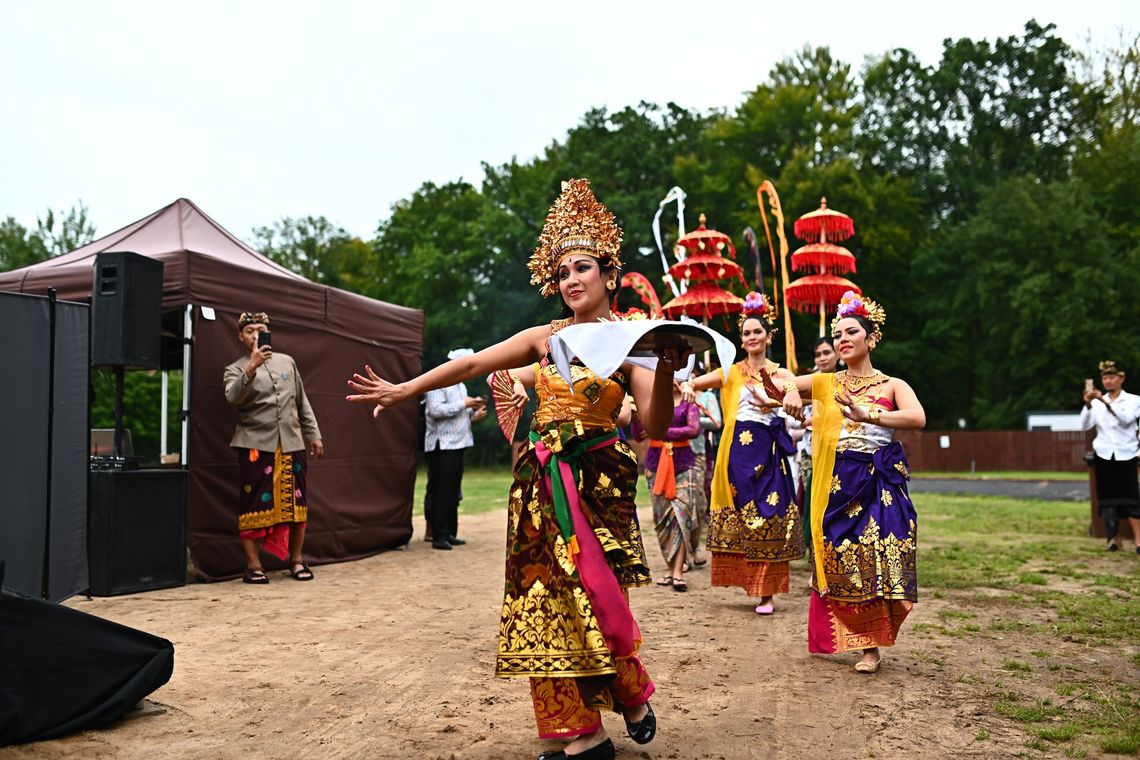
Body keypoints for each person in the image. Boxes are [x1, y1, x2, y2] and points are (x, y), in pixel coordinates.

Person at [347, 179, 681, 760]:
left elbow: (652, 425)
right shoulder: (544, 339)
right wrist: (408, 387)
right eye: (561, 272)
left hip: (599, 480)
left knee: (597, 594)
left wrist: (670, 372)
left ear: (608, 273)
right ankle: (579, 726)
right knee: (545, 596)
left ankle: (628, 690)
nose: (570, 279)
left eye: (582, 267)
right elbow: (474, 362)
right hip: (539, 482)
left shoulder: (634, 341)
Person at [782, 291, 925, 673]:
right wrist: (795, 391)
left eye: (851, 332)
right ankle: (862, 640)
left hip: (880, 479)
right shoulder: (827, 382)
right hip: (838, 479)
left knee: (881, 552)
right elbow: (779, 382)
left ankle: (872, 643)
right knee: (844, 554)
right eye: (838, 334)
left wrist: (870, 415)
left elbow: (917, 418)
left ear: (871, 338)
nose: (843, 339)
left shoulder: (893, 384)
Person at [680, 292, 804, 616]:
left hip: (771, 453)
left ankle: (767, 593)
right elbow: (695, 384)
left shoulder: (782, 374)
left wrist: (778, 399)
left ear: (768, 336)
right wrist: (689, 387)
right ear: (742, 338)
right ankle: (752, 584)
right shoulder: (731, 372)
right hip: (737, 455)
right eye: (747, 333)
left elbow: (796, 396)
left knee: (769, 515)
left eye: (757, 332)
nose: (751, 337)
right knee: (744, 517)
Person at [223, 312, 324, 584]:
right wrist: (251, 368)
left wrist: (314, 435)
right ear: (240, 337)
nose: (256, 334)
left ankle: (296, 560)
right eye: (249, 331)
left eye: (261, 329)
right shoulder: (235, 368)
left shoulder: (287, 362)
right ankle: (253, 566)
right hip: (256, 446)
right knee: (254, 503)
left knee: (297, 503)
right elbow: (233, 397)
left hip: (292, 443)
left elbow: (302, 402)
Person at [635, 385, 702, 592]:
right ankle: (669, 568)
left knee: (681, 517)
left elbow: (693, 429)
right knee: (662, 519)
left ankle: (678, 573)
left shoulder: (687, 401)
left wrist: (661, 431)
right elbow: (639, 435)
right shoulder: (649, 400)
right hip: (655, 466)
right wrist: (638, 418)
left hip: (684, 465)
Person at [423, 348, 487, 550]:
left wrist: (473, 415)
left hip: (459, 443)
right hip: (443, 445)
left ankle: (450, 533)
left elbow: (459, 414)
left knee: (452, 491)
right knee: (442, 491)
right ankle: (438, 536)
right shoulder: (438, 382)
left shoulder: (460, 385)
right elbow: (435, 411)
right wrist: (464, 403)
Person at [1081, 360, 1140, 552]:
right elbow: (1084, 425)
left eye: (1112, 377)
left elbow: (1126, 419)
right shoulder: (1097, 404)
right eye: (1105, 378)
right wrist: (1089, 404)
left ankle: (1139, 540)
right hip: (1104, 453)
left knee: (1131, 498)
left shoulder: (1133, 400)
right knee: (1108, 498)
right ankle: (1114, 539)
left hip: (1126, 453)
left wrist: (1105, 402)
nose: (1108, 381)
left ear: (1121, 378)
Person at [797, 336, 839, 551]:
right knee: (814, 503)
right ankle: (816, 559)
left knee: (834, 504)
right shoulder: (809, 382)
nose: (822, 358)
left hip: (839, 451)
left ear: (838, 353)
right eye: (818, 354)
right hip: (810, 451)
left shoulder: (846, 381)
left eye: (826, 353)